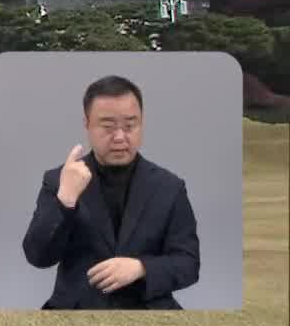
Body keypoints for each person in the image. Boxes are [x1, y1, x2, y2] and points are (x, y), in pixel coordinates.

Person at [21, 75, 200, 309]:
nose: (119, 137)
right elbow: (38, 257)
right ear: (87, 124)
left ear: (142, 122)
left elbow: (188, 263)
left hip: (149, 311)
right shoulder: (59, 181)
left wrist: (141, 268)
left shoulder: (169, 187)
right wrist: (65, 200)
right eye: (107, 126)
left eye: (129, 126)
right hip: (77, 311)